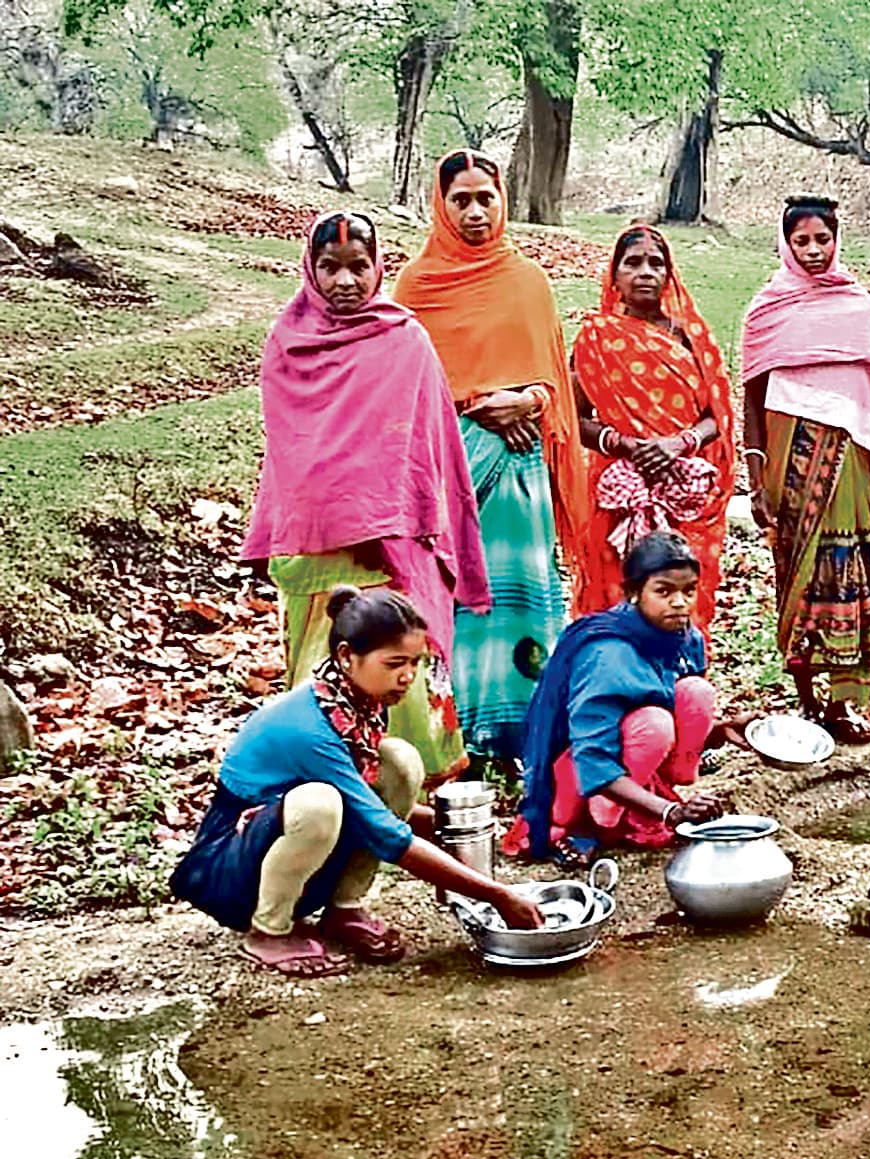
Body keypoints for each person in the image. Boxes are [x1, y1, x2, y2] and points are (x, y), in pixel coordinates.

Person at [171, 588, 544, 978]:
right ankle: (268, 930)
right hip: (231, 870)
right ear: (348, 657)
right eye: (395, 663)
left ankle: (343, 910)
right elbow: (382, 830)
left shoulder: (353, 702)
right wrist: (496, 895)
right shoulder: (311, 728)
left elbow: (368, 800)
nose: (407, 676)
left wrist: (456, 827)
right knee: (320, 804)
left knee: (399, 762)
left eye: (415, 663)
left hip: (295, 845)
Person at [241, 211, 491, 788]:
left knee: (401, 664)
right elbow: (290, 448)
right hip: (317, 542)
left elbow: (428, 446)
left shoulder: (405, 340)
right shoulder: (288, 343)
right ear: (311, 269)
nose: (345, 281)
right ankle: (329, 786)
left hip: (394, 542)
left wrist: (388, 509)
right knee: (323, 668)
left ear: (379, 269)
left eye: (358, 267)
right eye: (329, 267)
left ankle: (409, 797)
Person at [393, 149, 597, 760]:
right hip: (450, 472)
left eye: (487, 197)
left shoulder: (526, 282)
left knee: (523, 595)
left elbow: (552, 379)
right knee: (456, 599)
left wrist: (529, 399)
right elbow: (404, 387)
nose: (477, 211)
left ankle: (530, 730)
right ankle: (458, 736)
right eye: (462, 199)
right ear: (441, 203)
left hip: (521, 469)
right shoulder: (416, 286)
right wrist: (481, 401)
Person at [740, 196, 870, 743]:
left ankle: (845, 702)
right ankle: (804, 695)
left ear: (838, 240)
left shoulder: (859, 308)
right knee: (795, 572)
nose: (814, 251)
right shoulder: (768, 310)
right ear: (786, 245)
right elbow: (750, 397)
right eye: (803, 241)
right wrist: (754, 476)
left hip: (848, 461)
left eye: (823, 240)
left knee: (847, 565)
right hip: (788, 457)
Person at [504, 533, 755, 866]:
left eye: (689, 591)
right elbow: (592, 758)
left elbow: (668, 719)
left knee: (696, 693)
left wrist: (720, 732)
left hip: (633, 759)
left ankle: (646, 799)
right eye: (664, 591)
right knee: (654, 723)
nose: (679, 603)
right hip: (576, 778)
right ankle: (591, 826)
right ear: (635, 593)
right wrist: (672, 812)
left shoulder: (683, 637)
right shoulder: (607, 655)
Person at [569, 223, 735, 632]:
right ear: (615, 276)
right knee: (617, 590)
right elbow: (573, 419)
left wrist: (678, 445)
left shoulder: (690, 338)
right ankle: (618, 684)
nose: (645, 272)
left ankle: (681, 684)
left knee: (681, 595)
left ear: (669, 274)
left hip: (685, 488)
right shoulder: (596, 339)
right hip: (618, 491)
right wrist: (624, 444)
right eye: (633, 263)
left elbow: (719, 415)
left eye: (656, 264)